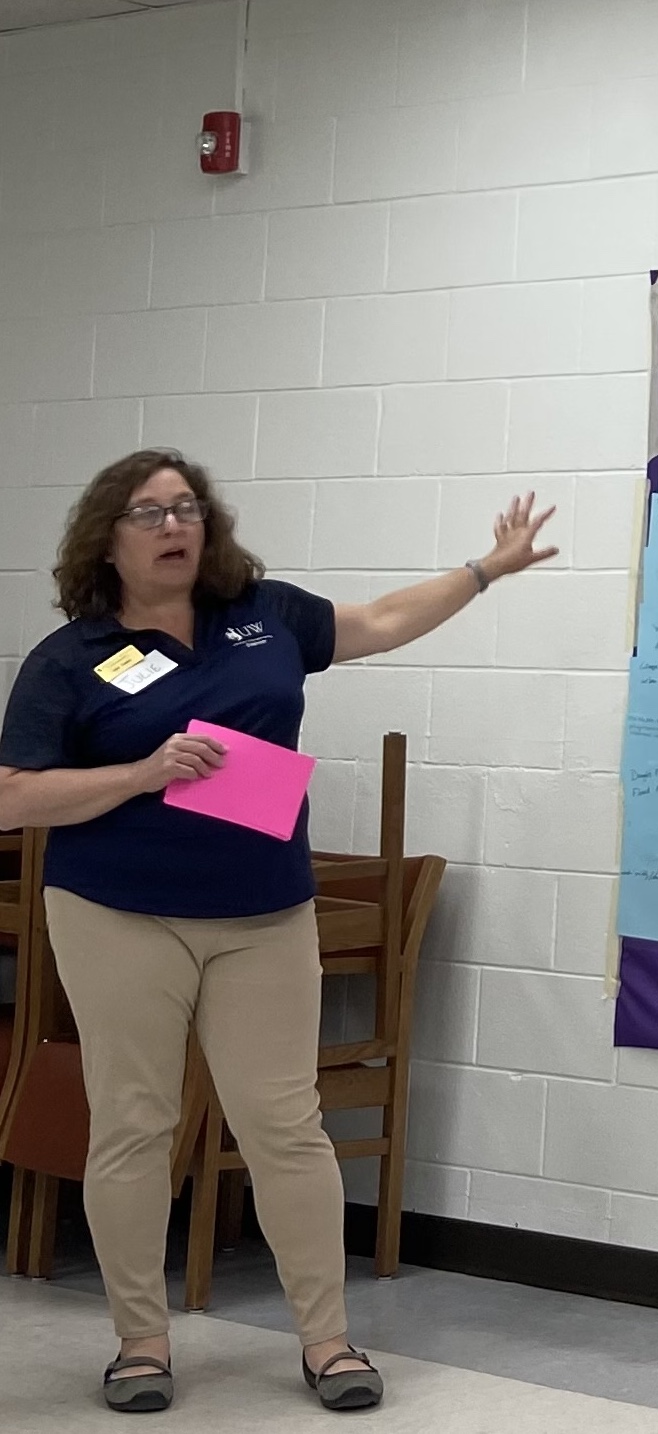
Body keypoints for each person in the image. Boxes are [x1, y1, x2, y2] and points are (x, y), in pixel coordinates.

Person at [0, 450, 558, 1413]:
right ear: (107, 537)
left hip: (262, 912)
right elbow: (13, 797)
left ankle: (328, 1343)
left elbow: (378, 622)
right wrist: (139, 774)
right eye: (147, 512)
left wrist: (484, 570)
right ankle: (141, 1345)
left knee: (285, 1126)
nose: (173, 526)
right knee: (135, 1125)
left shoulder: (263, 615)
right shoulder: (72, 659)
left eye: (186, 509)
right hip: (117, 914)